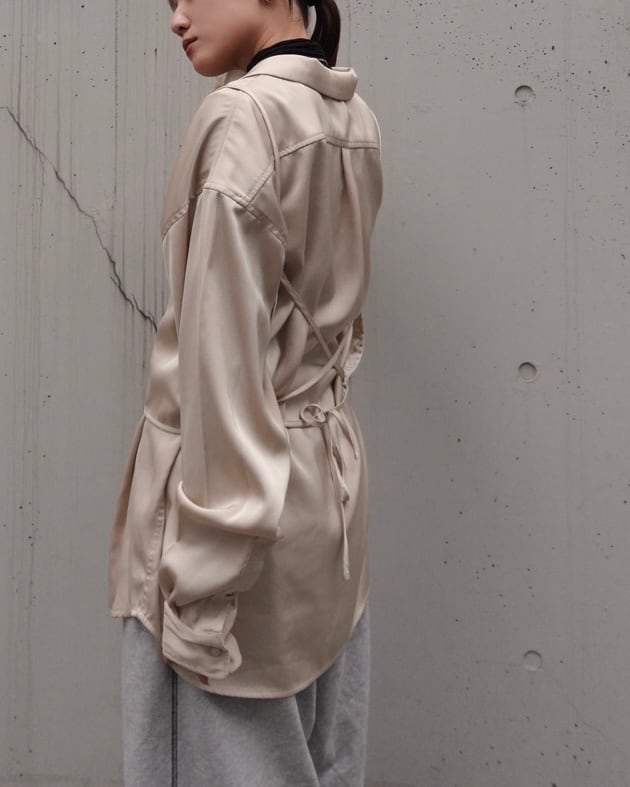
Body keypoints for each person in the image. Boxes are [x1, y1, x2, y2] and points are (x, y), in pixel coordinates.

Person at [108, 0, 383, 783]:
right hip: (326, 505)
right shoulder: (352, 115)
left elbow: (220, 367)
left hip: (232, 525)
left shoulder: (242, 119)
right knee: (318, 757)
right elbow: (341, 332)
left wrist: (201, 586)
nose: (176, 18)